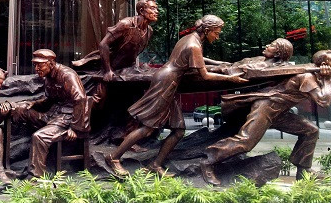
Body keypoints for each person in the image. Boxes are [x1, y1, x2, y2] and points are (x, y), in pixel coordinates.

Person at [105, 15, 248, 177]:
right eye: (216, 33)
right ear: (207, 30)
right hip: (165, 83)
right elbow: (205, 75)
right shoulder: (193, 44)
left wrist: (220, 64)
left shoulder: (191, 39)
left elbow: (199, 58)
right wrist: (231, 78)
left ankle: (155, 165)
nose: (217, 36)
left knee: (179, 130)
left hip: (168, 82)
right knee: (147, 128)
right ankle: (114, 157)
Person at [200, 50, 331, 185]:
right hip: (267, 107)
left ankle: (303, 170)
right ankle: (207, 161)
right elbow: (323, 101)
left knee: (311, 131)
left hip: (280, 112)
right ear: (324, 64)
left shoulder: (318, 76)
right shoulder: (307, 77)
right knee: (246, 142)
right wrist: (329, 79)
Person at [11, 49, 90, 178]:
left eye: (40, 65)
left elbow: (80, 99)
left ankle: (35, 176)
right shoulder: (48, 77)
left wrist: (75, 128)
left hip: (67, 120)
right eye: (35, 65)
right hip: (52, 116)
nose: (36, 68)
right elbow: (49, 100)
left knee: (39, 136)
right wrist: (33, 104)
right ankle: (12, 159)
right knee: (20, 110)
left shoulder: (67, 75)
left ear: (51, 63)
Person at [72, 0, 158, 105]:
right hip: (109, 67)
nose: (156, 11)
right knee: (98, 98)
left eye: (156, 9)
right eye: (152, 8)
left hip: (128, 68)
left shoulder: (149, 31)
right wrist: (107, 70)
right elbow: (103, 44)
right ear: (141, 11)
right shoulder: (125, 24)